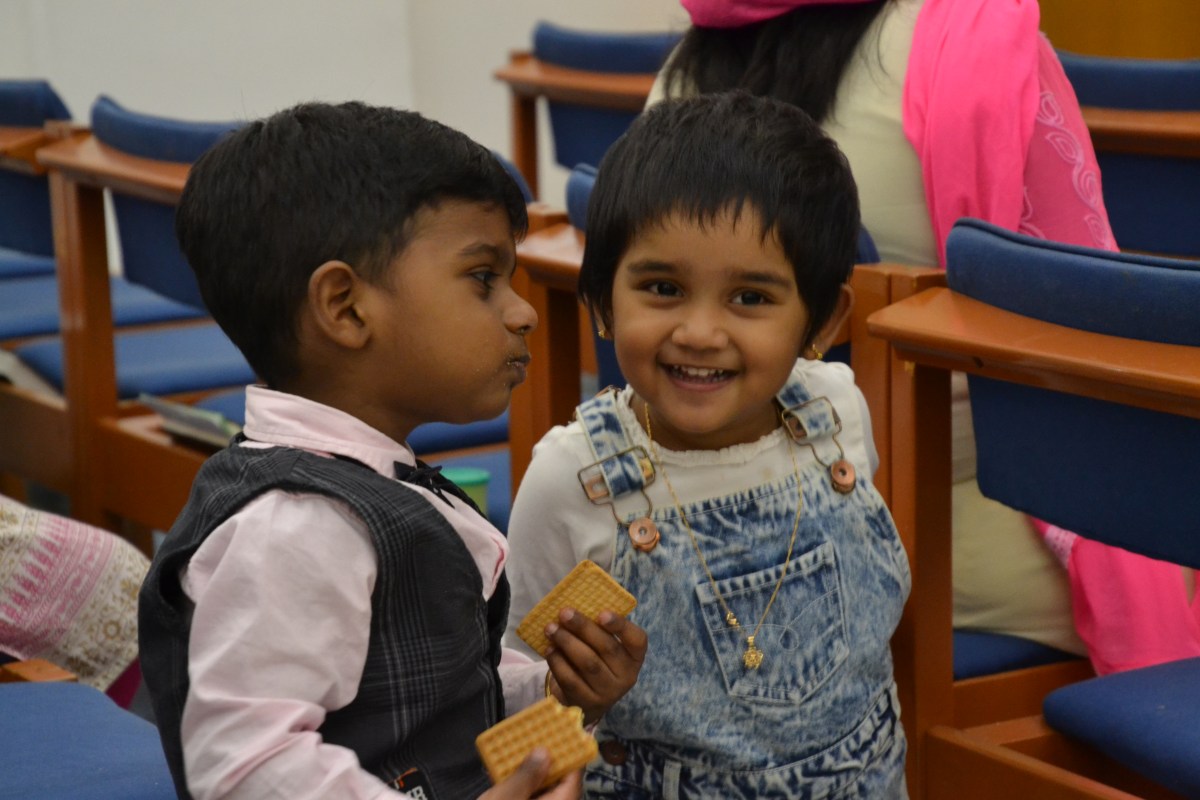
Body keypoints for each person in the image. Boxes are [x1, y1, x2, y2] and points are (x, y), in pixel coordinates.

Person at [652, 0, 1200, 676]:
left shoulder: (676, 79)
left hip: (705, 528)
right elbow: (1091, 322)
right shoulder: (984, 50)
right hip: (933, 538)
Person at [137, 101, 647, 800]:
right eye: (483, 278)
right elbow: (243, 767)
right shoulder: (298, 524)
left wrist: (556, 689)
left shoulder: (362, 487)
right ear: (346, 308)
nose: (523, 311)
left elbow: (428, 701)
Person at [505, 92, 910, 797]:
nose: (699, 333)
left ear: (822, 322)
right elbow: (517, 702)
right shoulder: (573, 479)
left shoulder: (836, 413)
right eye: (663, 287)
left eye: (751, 298)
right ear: (601, 300)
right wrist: (573, 697)